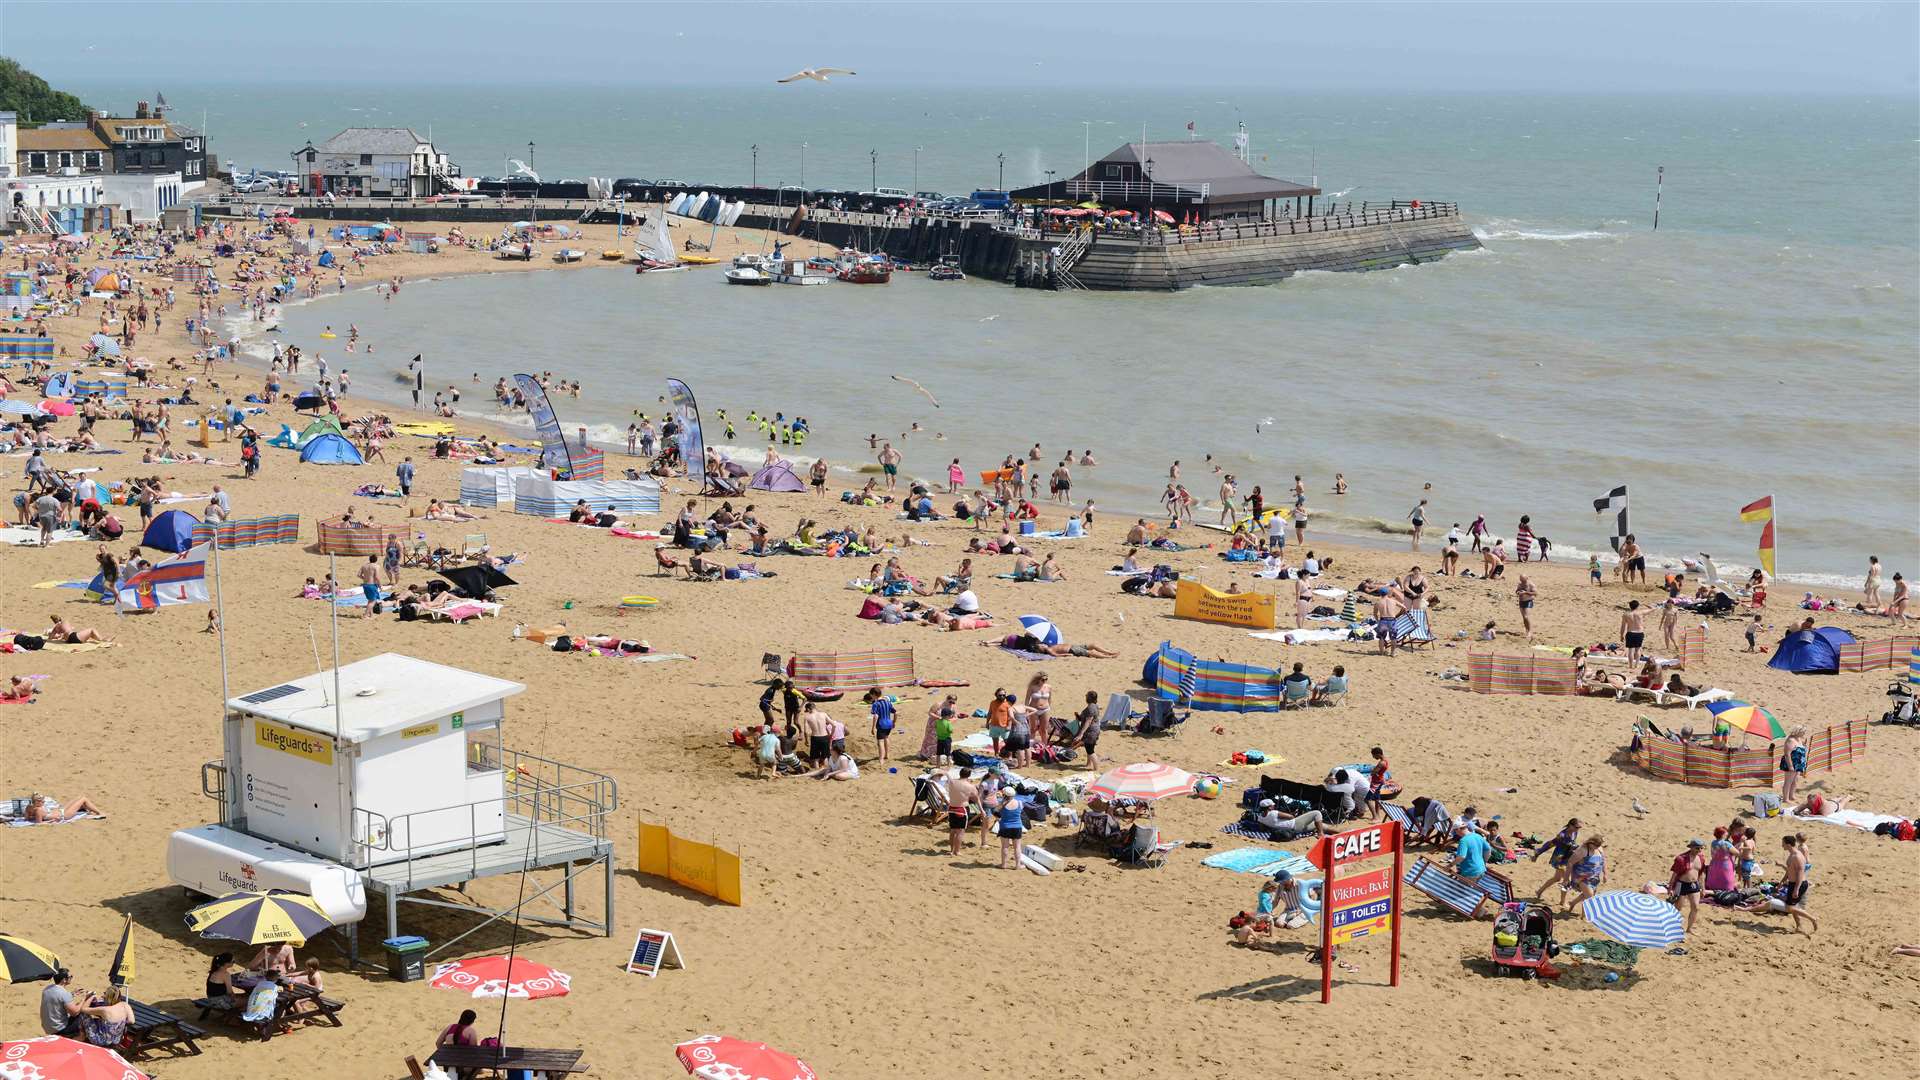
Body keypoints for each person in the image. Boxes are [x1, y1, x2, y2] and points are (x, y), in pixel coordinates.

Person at [1531, 819, 1583, 898]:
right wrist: (1538, 853)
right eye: (1576, 827)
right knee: (1566, 880)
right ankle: (1562, 902)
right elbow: (1549, 844)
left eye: (1579, 827)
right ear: (1571, 825)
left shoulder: (1575, 832)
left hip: (1567, 858)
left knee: (1557, 878)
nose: (1578, 829)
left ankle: (1539, 891)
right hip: (1559, 860)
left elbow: (1571, 844)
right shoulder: (1561, 836)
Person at [1668, 838, 1707, 933]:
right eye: (1697, 848)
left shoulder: (1701, 858)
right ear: (1691, 847)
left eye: (1701, 848)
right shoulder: (1681, 859)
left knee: (1695, 907)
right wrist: (1670, 887)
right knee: (1678, 908)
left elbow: (1701, 874)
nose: (1700, 850)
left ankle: (1689, 929)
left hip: (1694, 885)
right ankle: (1672, 927)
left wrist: (1703, 888)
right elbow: (1675, 874)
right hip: (1682, 884)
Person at [1780, 833, 1817, 934]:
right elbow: (1789, 870)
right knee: (1792, 907)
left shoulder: (1797, 856)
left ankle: (1812, 918)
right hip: (1793, 883)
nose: (1781, 845)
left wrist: (1796, 889)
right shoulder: (1791, 854)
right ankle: (1799, 926)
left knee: (1789, 907)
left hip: (1798, 884)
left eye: (1783, 843)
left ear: (1788, 845)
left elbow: (1800, 874)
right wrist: (1782, 881)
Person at [79, 984, 134, 1048]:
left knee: (83, 1015)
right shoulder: (125, 1005)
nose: (103, 995)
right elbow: (131, 1021)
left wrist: (92, 996)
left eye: (105, 993)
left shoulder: (104, 1010)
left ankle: (81, 1036)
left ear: (108, 997)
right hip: (116, 1040)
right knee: (104, 1022)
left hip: (101, 1041)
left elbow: (83, 1009)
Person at [1565, 837, 1607, 915]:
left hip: (1594, 877)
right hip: (1581, 877)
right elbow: (1570, 863)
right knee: (1590, 897)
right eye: (1596, 845)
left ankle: (1575, 906)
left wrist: (1605, 874)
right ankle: (1587, 915)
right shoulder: (1583, 850)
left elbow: (1603, 860)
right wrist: (1566, 879)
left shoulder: (1599, 849)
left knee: (1586, 895)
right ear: (1591, 843)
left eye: (1599, 845)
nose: (1597, 847)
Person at [946, 767, 981, 857]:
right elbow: (976, 799)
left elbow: (946, 774)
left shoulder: (952, 782)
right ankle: (956, 851)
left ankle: (951, 850)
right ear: (969, 776)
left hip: (951, 808)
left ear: (960, 773)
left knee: (953, 830)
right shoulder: (970, 786)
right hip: (962, 809)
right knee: (960, 832)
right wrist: (982, 810)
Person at [992, 783, 1026, 870]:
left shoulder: (1001, 804)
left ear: (1004, 795)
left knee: (1005, 846)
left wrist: (999, 819)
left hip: (1005, 827)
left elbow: (995, 812)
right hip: (1017, 826)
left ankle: (1004, 864)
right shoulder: (1019, 803)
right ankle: (1018, 865)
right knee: (1017, 847)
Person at [40, 969, 83, 1036]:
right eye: (70, 977)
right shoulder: (64, 994)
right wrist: (84, 1000)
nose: (71, 978)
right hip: (60, 1029)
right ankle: (79, 1038)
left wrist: (72, 994)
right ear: (64, 980)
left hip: (48, 1028)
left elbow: (57, 999)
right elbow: (75, 1012)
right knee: (83, 1013)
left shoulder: (47, 989)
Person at [866, 687, 895, 764]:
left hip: (881, 724)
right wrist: (894, 722)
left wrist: (872, 728)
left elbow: (876, 716)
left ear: (874, 695)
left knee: (880, 742)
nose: (871, 697)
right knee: (886, 738)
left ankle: (881, 759)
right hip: (889, 723)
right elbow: (895, 712)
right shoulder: (888, 702)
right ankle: (887, 754)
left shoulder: (876, 704)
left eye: (871, 695)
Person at [1780, 725, 1808, 804]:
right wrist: (1790, 766)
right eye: (1803, 732)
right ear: (1798, 732)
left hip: (1798, 764)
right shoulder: (1791, 740)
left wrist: (1804, 745)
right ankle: (1785, 799)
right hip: (1791, 763)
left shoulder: (1799, 739)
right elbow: (1787, 754)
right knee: (1788, 781)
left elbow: (1801, 748)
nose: (1804, 733)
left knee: (1795, 781)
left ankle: (1791, 796)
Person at [1620, 599, 1646, 666]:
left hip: (1630, 632)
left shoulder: (1626, 614)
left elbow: (1623, 626)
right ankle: (1636, 664)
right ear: (1637, 606)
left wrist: (1621, 635)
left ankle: (1631, 665)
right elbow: (1653, 608)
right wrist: (1644, 604)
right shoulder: (1641, 612)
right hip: (1639, 632)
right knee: (1638, 650)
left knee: (1631, 650)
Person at [1515, 574, 1537, 641]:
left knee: (1526, 616)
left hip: (1528, 601)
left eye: (1523, 580)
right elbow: (1517, 591)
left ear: (1527, 578)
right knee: (1524, 618)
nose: (1522, 582)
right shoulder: (1520, 584)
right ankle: (1527, 631)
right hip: (1521, 601)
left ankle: (1530, 631)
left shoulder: (1531, 584)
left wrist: (1525, 592)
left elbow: (1535, 593)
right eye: (1521, 580)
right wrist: (1518, 592)